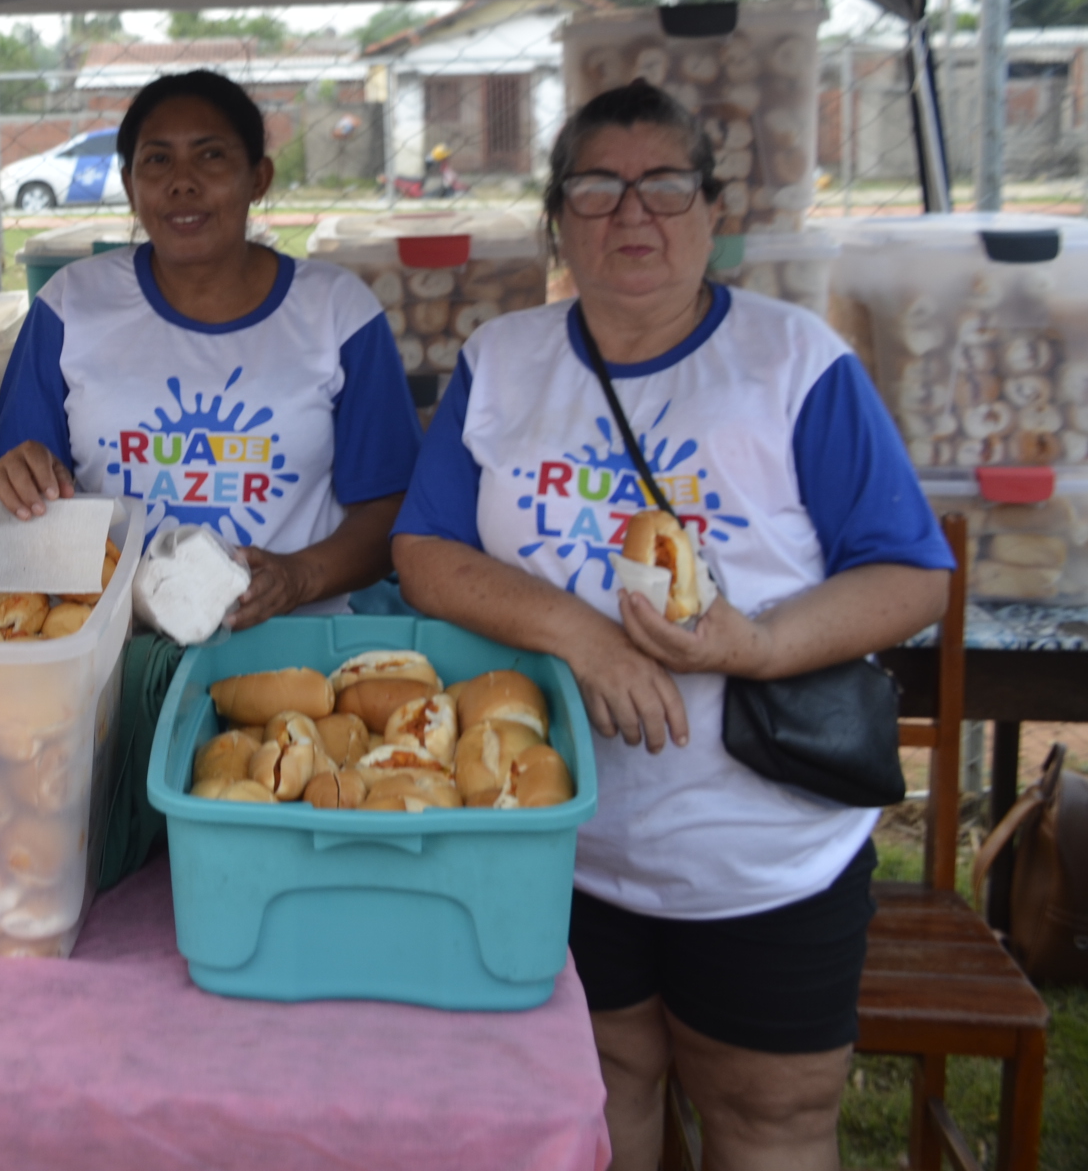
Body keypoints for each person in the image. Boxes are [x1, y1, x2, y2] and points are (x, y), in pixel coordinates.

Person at [391, 80, 952, 1170]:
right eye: (596, 187)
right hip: (558, 830)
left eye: (663, 186)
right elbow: (426, 550)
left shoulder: (792, 363)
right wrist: (580, 634)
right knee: (602, 1100)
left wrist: (756, 644)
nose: (630, 215)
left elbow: (907, 574)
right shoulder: (504, 361)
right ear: (556, 218)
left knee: (765, 1119)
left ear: (711, 213)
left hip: (758, 847)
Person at [0, 70, 421, 622]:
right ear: (128, 180)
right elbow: (16, 483)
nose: (182, 182)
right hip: (116, 645)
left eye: (210, 156)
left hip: (294, 644)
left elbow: (393, 505)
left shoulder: (336, 312)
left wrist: (300, 576)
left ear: (259, 177)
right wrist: (15, 474)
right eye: (157, 160)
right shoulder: (72, 304)